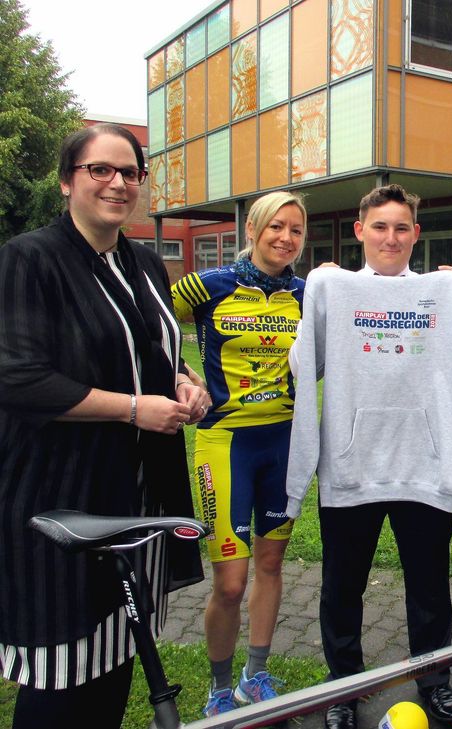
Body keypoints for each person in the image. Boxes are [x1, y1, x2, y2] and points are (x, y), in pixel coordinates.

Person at [0, 123, 207, 728]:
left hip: (135, 492)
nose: (118, 183)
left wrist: (183, 383)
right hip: (61, 492)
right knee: (62, 671)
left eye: (131, 172)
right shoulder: (29, 259)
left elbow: (152, 347)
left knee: (119, 652)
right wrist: (131, 408)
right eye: (101, 170)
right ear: (68, 181)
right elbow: (17, 377)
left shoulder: (143, 261)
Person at [294, 184, 452, 729]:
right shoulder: (333, 288)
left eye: (401, 227)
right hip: (352, 468)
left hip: (424, 468)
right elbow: (308, 370)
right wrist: (320, 301)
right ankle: (343, 690)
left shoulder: (444, 293)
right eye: (380, 226)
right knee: (341, 588)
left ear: (416, 234)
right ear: (359, 232)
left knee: (430, 588)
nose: (390, 237)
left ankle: (435, 679)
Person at [171, 191, 307, 716]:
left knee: (271, 562)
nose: (285, 238)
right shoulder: (207, 285)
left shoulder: (307, 291)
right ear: (252, 228)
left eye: (295, 230)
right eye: (276, 226)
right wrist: (183, 375)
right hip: (224, 443)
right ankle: (220, 689)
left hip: (285, 442)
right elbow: (150, 327)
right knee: (230, 582)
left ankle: (257, 675)